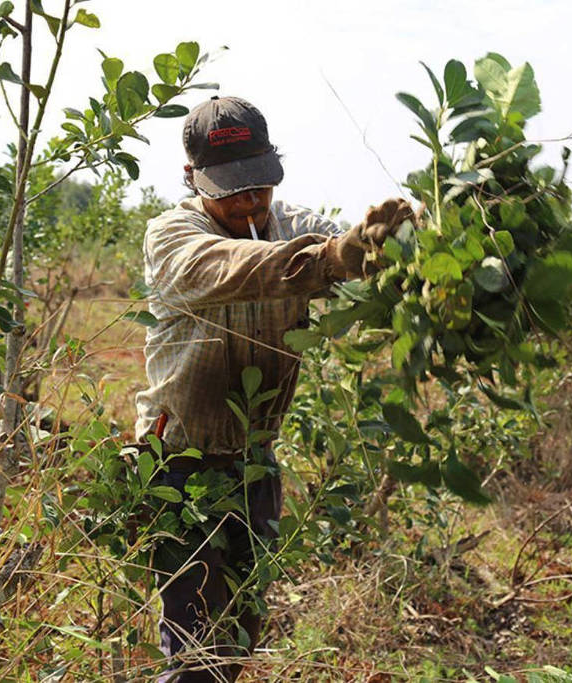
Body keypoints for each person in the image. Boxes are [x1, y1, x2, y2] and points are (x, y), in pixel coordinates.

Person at [134, 95, 414, 682]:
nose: (250, 201)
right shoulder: (172, 237)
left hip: (256, 464)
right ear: (192, 178)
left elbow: (349, 254)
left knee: (237, 637)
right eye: (232, 188)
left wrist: (400, 250)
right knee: (193, 653)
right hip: (179, 464)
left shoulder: (299, 226)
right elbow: (236, 267)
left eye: (259, 183)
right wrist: (334, 258)